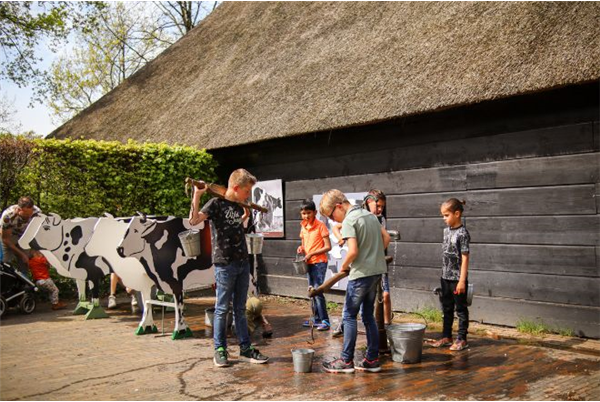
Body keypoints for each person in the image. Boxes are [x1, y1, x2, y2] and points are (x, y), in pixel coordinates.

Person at [189, 168, 269, 367]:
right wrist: (197, 195)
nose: (248, 195)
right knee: (222, 308)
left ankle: (245, 348)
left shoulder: (237, 204)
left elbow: (232, 226)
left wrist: (244, 216)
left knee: (240, 309)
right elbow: (193, 220)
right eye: (247, 191)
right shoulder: (215, 203)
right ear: (235, 187)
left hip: (243, 262)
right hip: (224, 264)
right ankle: (220, 350)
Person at [310, 189, 390, 373]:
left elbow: (352, 251)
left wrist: (344, 266)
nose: (334, 220)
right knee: (368, 316)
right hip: (376, 272)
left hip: (360, 274)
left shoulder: (349, 220)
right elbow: (385, 238)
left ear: (339, 206)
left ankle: (346, 361)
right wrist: (374, 256)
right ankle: (372, 359)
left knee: (349, 316)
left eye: (332, 215)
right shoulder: (370, 216)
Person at [430, 198, 470, 351]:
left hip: (457, 279)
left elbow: (465, 257)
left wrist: (462, 280)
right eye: (443, 215)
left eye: (446, 215)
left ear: (457, 214)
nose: (444, 219)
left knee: (460, 309)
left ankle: (462, 338)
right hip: (445, 277)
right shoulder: (446, 231)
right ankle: (446, 336)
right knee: (446, 308)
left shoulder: (463, 233)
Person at [297, 199, 332, 331]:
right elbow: (303, 243)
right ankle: (316, 319)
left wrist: (312, 253)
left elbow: (328, 247)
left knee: (317, 291)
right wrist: (301, 248)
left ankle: (325, 320)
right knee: (311, 291)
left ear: (315, 212)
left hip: (319, 263)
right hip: (308, 262)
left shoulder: (320, 226)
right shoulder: (303, 226)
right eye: (303, 213)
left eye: (309, 213)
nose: (306, 216)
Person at [1, 196, 41, 275]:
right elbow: (5, 239)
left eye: (30, 213)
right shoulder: (8, 216)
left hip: (25, 238)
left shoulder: (37, 213)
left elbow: (37, 233)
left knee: (25, 262)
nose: (29, 216)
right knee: (3, 263)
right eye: (25, 214)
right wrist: (21, 254)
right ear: (19, 209)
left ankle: (23, 284)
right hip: (9, 237)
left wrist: (35, 250)